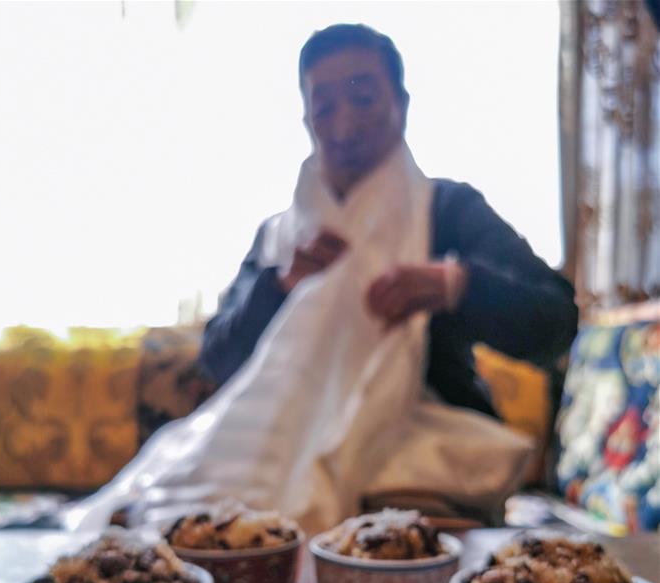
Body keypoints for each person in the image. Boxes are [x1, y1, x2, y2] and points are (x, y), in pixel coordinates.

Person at [199, 24, 578, 419]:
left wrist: (457, 286)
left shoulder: (448, 209)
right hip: (287, 437)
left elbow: (556, 322)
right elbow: (217, 360)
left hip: (431, 434)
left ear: (402, 103)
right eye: (324, 108)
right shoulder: (277, 238)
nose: (344, 127)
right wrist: (280, 289)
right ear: (307, 118)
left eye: (363, 99)